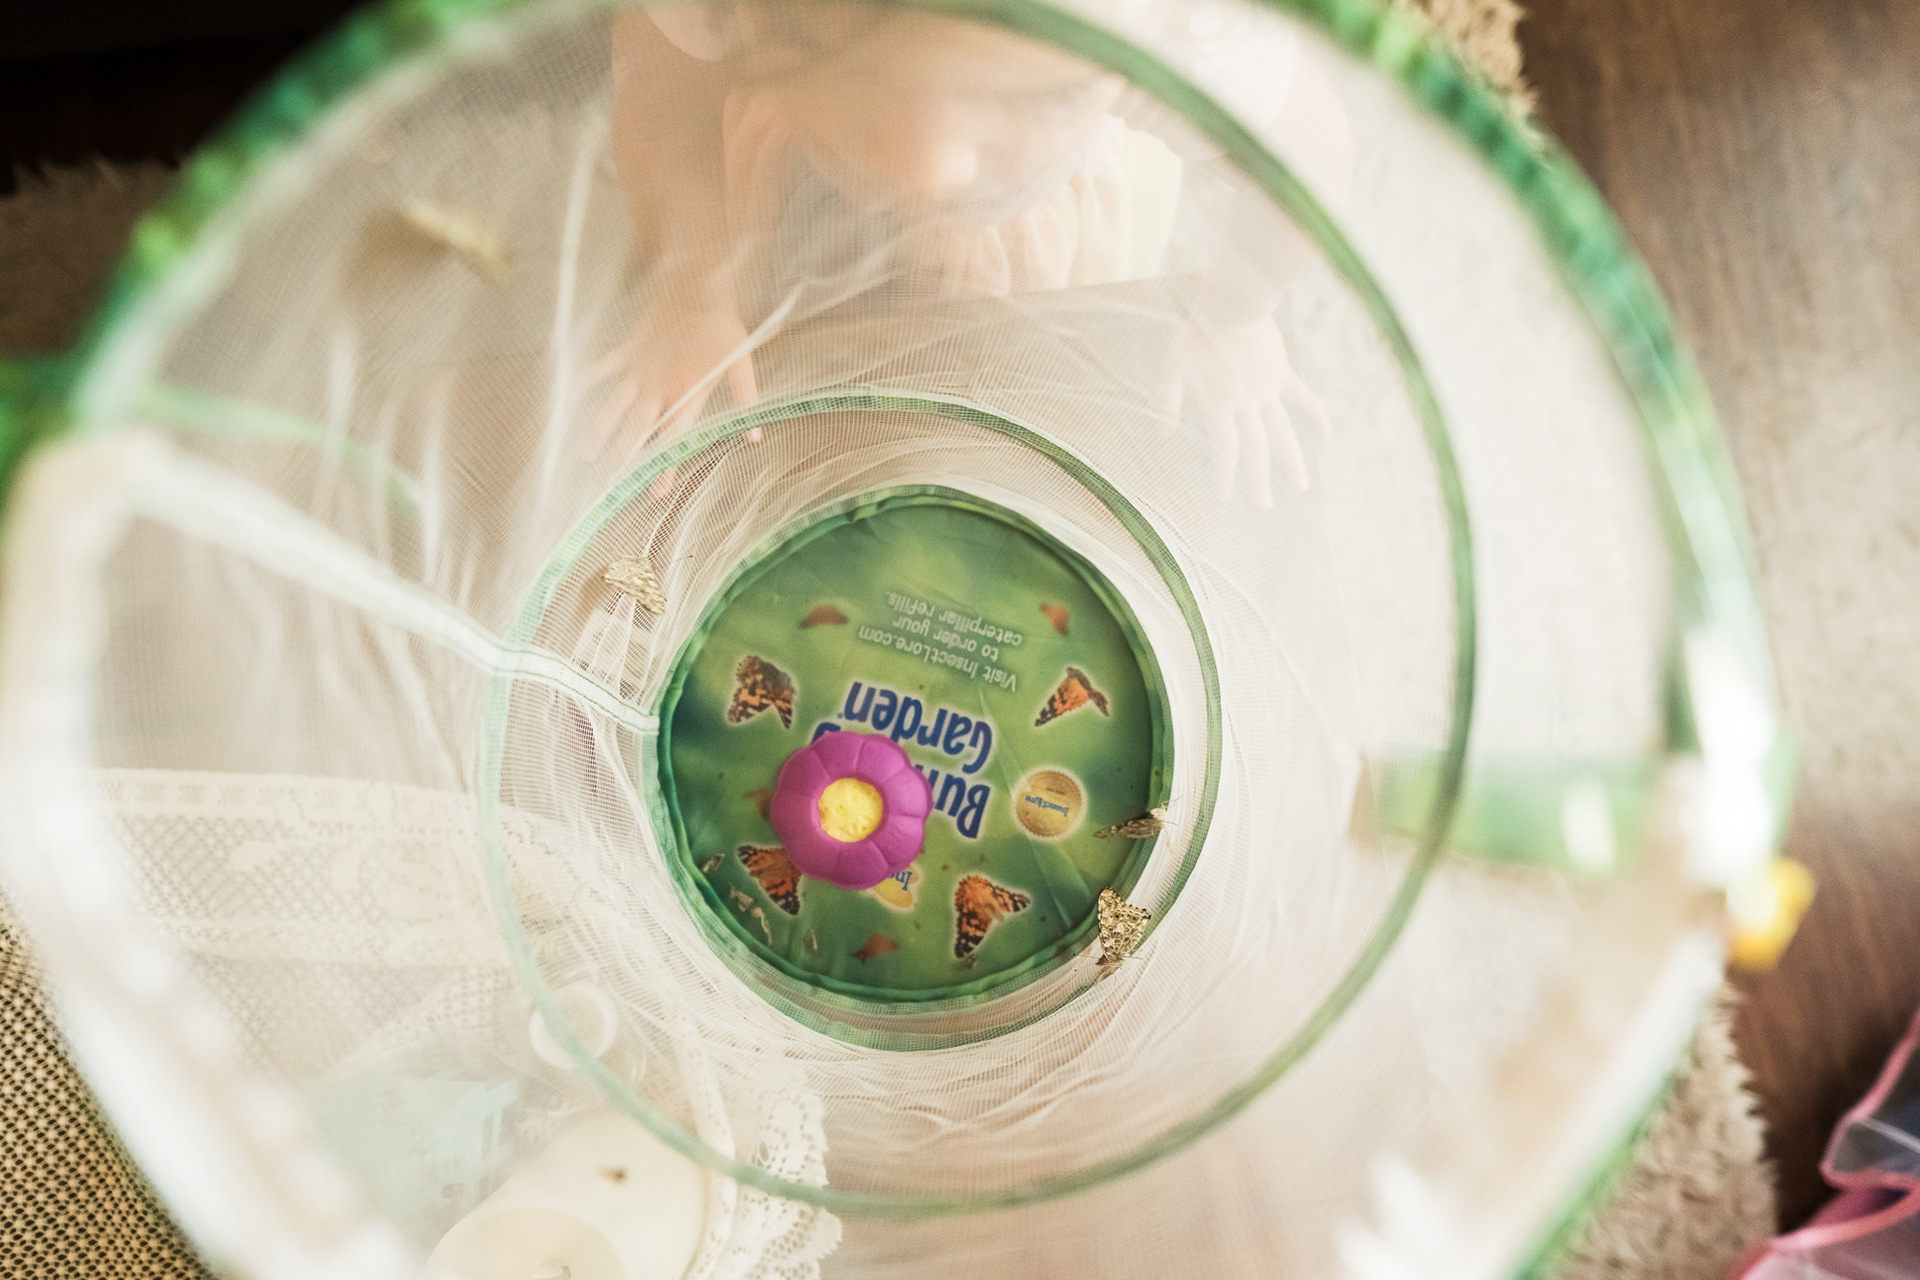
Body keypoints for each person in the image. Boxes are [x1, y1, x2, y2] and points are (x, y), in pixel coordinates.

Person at [594, 1, 1350, 504]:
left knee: (1012, 409)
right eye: (853, 64)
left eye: (1039, 96)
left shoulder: (1161, 25)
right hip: (797, 169)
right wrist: (695, 286)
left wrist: (1234, 316)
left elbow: (1303, 165)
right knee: (777, 376)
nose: (924, 168)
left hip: (1039, 216)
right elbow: (665, 87)